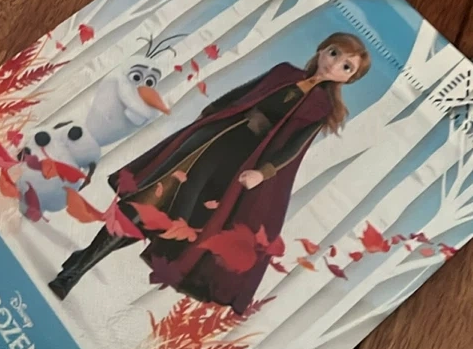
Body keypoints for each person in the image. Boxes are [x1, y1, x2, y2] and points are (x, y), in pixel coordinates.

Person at [48, 32, 370, 316]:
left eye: (346, 66)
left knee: (168, 221)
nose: (334, 64)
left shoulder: (323, 109)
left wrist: (262, 173)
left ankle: (83, 258)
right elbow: (242, 93)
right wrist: (206, 118)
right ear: (322, 49)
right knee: (146, 200)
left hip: (234, 167)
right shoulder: (284, 71)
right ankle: (73, 274)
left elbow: (294, 148)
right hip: (208, 140)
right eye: (334, 53)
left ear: (349, 79)